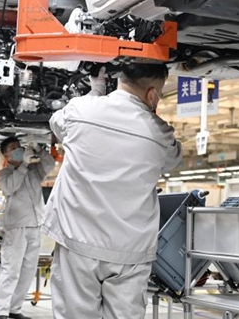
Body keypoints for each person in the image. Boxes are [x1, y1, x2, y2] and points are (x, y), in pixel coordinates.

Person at [44, 63, 182, 319]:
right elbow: (173, 158)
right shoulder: (160, 133)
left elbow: (56, 123)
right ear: (152, 94)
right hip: (129, 249)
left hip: (77, 241)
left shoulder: (81, 110)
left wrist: (95, 91)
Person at [0, 136, 56, 319]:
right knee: (11, 270)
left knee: (28, 271)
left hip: (35, 225)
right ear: (6, 155)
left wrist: (39, 150)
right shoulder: (4, 174)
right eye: (13, 148)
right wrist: (24, 165)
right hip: (17, 227)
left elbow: (50, 164)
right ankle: (1, 311)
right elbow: (10, 188)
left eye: (19, 146)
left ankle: (15, 309)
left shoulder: (33, 170)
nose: (18, 149)